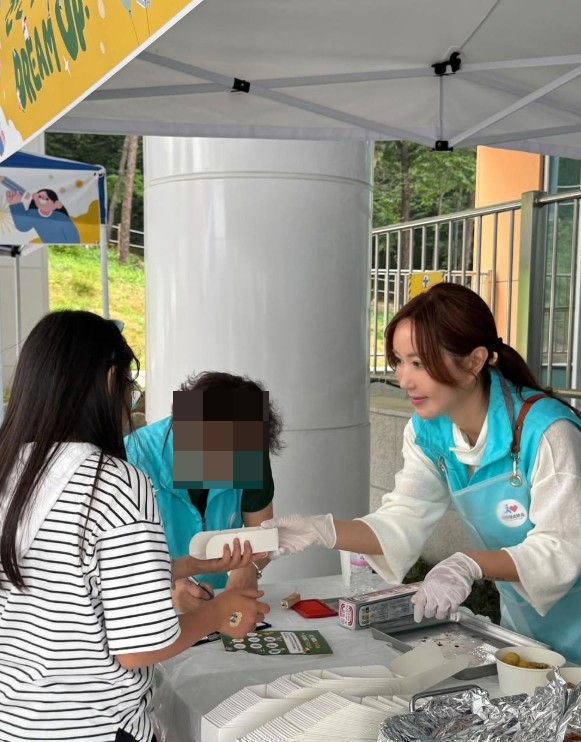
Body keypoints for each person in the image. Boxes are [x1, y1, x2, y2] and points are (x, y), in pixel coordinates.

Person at [263, 282, 581, 664]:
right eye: (399, 361)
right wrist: (321, 530)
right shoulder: (428, 433)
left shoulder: (548, 432)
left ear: (475, 361)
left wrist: (470, 563)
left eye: (419, 363)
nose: (404, 379)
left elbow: (563, 549)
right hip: (522, 624)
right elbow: (401, 520)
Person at [0, 311, 269, 742]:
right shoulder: (117, 481)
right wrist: (220, 612)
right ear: (111, 380)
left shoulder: (11, 472)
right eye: (131, 387)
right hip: (96, 726)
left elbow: (70, 583)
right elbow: (140, 648)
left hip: (18, 720)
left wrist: (187, 566)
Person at [125, 371, 284, 612]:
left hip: (217, 601)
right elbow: (117, 560)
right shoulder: (133, 458)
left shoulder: (248, 449)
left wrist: (248, 569)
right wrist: (167, 587)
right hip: (146, 608)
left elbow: (262, 536)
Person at [6, 187, 81, 243]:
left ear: (55, 204)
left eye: (47, 199)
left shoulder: (61, 218)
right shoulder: (33, 214)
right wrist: (15, 204)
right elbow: (23, 226)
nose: (42, 199)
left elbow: (73, 236)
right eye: (40, 197)